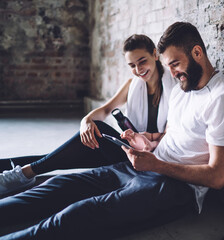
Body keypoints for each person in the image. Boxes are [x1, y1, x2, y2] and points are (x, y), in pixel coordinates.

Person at [0, 22, 224, 240]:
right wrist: (148, 142)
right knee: (62, 185)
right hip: (148, 164)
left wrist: (156, 165)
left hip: (176, 187)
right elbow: (173, 132)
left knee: (78, 214)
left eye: (176, 64)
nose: (172, 74)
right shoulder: (183, 88)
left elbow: (217, 177)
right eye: (168, 66)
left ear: (197, 52)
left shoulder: (223, 99)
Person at [0, 34, 176, 196]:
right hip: (130, 147)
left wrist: (150, 138)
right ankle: (19, 173)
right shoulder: (133, 84)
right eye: (132, 65)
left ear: (155, 54)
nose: (138, 70)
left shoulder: (174, 86)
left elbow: (173, 134)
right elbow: (106, 109)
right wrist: (86, 120)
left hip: (152, 157)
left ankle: (22, 174)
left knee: (80, 143)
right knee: (62, 156)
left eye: (142, 61)